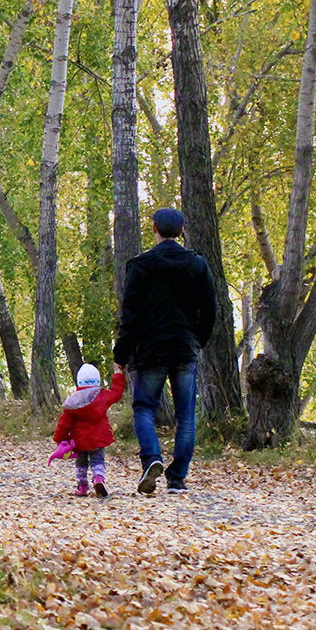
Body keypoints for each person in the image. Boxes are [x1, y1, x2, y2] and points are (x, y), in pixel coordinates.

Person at [113, 207, 215, 495]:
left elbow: (130, 316)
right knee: (186, 415)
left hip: (150, 349)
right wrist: (198, 341)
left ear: (155, 229)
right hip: (184, 347)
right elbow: (210, 309)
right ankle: (177, 478)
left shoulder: (140, 265)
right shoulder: (197, 264)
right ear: (181, 231)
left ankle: (152, 458)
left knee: (144, 407)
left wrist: (120, 356)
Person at [49, 363, 126, 497]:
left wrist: (59, 440)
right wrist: (118, 373)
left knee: (81, 462)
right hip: (98, 439)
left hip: (79, 441)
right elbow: (117, 393)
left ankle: (82, 486)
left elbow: (64, 424)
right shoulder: (103, 396)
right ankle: (98, 479)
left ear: (79, 381)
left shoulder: (73, 402)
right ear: (97, 380)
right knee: (98, 460)